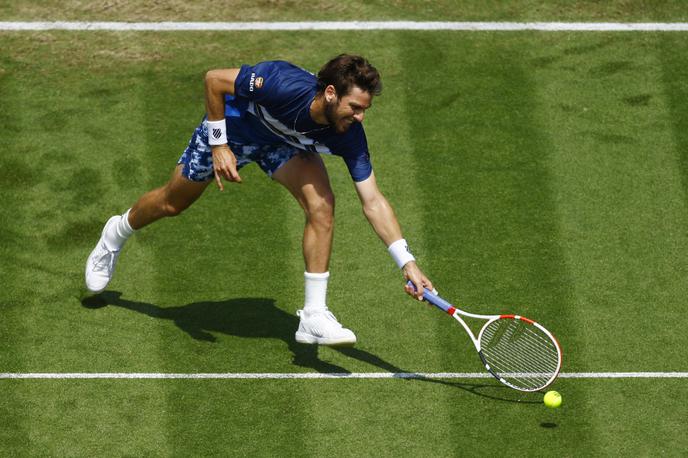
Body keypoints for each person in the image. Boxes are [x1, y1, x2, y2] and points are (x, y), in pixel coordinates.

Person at [85, 54, 434, 346]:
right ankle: (115, 233)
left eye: (364, 110)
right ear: (330, 93)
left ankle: (313, 315)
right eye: (355, 107)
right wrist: (219, 144)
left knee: (322, 205)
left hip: (283, 146)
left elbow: (372, 201)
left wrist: (407, 262)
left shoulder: (350, 136)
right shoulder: (279, 82)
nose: (360, 117)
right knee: (172, 203)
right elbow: (213, 80)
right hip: (233, 129)